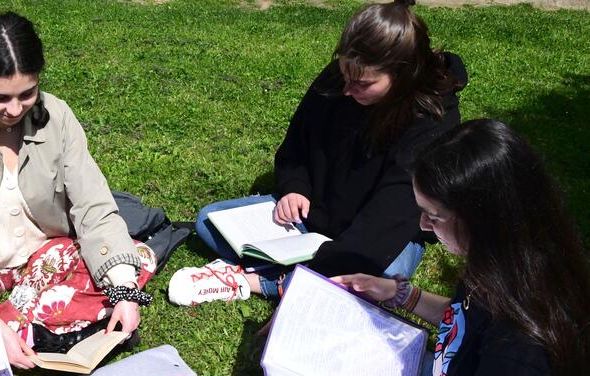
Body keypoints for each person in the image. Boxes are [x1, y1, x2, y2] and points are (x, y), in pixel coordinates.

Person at [220, 119, 590, 376]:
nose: (422, 225)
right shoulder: (499, 261)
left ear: (483, 217)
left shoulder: (521, 336)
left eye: (434, 216)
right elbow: (467, 321)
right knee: (336, 339)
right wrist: (400, 295)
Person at [170, 0, 466, 306]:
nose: (348, 90)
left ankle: (263, 282)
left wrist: (322, 273)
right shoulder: (343, 77)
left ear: (402, 73)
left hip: (381, 233)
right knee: (210, 220)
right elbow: (298, 141)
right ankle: (308, 276)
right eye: (344, 76)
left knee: (384, 275)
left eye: (363, 84)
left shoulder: (434, 118)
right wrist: (294, 187)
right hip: (312, 219)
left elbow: (391, 214)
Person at [0, 12, 156, 370]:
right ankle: (31, 327)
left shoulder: (58, 116)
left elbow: (93, 207)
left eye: (27, 94)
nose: (15, 109)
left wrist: (126, 293)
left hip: (49, 259)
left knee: (135, 259)